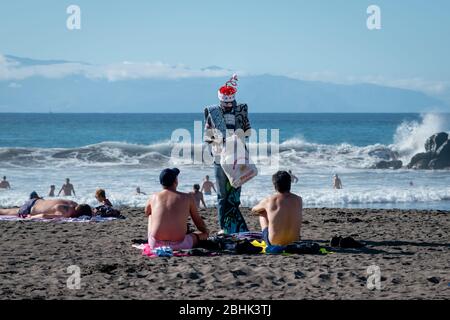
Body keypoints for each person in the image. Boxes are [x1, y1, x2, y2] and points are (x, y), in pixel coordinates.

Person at [204, 74, 252, 234]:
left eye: (229, 101)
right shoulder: (213, 112)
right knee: (222, 196)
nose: (227, 104)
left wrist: (236, 138)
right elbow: (207, 137)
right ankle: (223, 227)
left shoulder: (241, 110)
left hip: (239, 156)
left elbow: (248, 132)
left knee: (235, 195)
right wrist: (220, 141)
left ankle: (234, 226)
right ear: (220, 100)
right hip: (220, 159)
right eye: (225, 102)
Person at [145, 168, 209, 250]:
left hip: (155, 244)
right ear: (176, 181)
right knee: (198, 235)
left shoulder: (153, 197)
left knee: (150, 214)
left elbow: (146, 213)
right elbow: (197, 221)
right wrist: (205, 232)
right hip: (181, 244)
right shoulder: (187, 197)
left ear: (161, 183)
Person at [251, 171, 303, 246]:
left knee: (262, 213)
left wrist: (267, 209)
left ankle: (271, 234)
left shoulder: (269, 200)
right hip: (294, 242)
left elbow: (253, 210)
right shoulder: (299, 200)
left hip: (273, 243)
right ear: (290, 183)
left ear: (274, 185)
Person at [0, 198, 92, 219]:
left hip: (37, 200)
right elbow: (44, 215)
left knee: (5, 210)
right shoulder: (65, 213)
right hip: (29, 209)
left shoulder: (72, 203)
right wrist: (31, 217)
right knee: (3, 212)